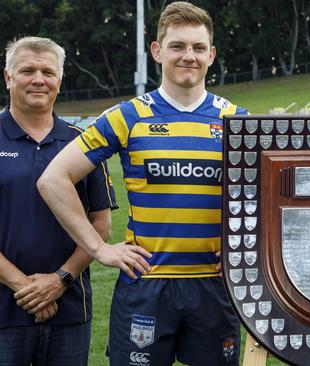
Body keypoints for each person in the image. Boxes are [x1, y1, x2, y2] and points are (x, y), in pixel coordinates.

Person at [37, 2, 247, 365]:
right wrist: (100, 249)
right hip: (147, 284)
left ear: (211, 55)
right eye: (178, 46)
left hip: (215, 285)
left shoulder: (238, 121)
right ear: (157, 50)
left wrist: (246, 246)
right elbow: (54, 179)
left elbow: (272, 196)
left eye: (198, 48)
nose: (189, 56)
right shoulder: (127, 116)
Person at [0, 36, 116, 365]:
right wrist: (26, 287)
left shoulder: (83, 144)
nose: (39, 79)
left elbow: (101, 224)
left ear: (60, 80)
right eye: (27, 70)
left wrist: (60, 280)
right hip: (5, 312)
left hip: (69, 309)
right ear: (8, 77)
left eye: (48, 72)